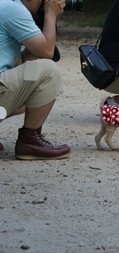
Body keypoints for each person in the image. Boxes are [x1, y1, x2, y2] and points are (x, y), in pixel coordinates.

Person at [0, 0, 70, 160]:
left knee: (32, 92)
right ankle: (29, 142)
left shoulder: (4, 6)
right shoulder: (14, 9)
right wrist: (50, 15)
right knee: (48, 69)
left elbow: (21, 66)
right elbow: (47, 51)